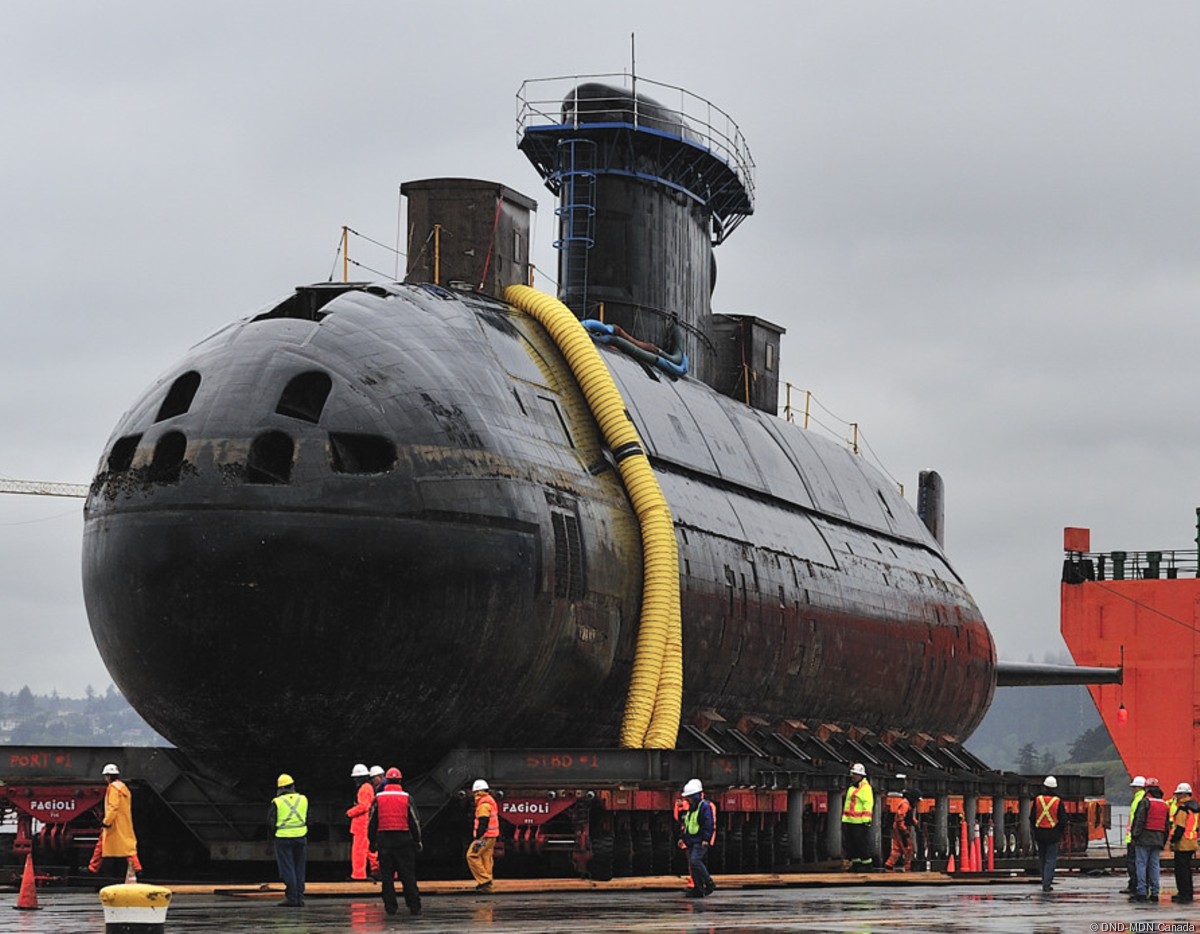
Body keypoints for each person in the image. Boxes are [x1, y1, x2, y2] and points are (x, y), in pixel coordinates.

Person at [368, 767, 422, 916]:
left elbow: (372, 822)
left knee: (387, 878)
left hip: (385, 842)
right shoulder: (406, 797)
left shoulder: (378, 798)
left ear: (386, 779)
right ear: (400, 780)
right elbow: (414, 822)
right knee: (408, 876)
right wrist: (417, 841)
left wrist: (371, 842)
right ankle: (414, 906)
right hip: (404, 841)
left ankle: (390, 908)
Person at [269, 773, 308, 907]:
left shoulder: (277, 802)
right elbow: (309, 817)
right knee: (299, 868)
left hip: (283, 838)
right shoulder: (303, 799)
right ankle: (299, 897)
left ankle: (291, 898)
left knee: (288, 868)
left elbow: (271, 822)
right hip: (301, 837)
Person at [1130, 778, 1169, 902]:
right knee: (1154, 865)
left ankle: (1142, 892)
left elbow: (1139, 820)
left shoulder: (1145, 802)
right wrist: (1164, 840)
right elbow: (1167, 825)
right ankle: (1155, 892)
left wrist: (1134, 836)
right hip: (1158, 838)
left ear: (1146, 788)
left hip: (1144, 838)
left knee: (1141, 864)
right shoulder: (1164, 804)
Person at [99, 763, 139, 880]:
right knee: (127, 849)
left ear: (108, 776)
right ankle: (134, 870)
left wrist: (106, 822)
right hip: (124, 823)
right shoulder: (124, 787)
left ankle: (107, 877)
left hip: (114, 825)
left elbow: (113, 807)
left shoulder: (113, 788)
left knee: (111, 852)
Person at [677, 778, 716, 897]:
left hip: (700, 840)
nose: (687, 799)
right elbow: (687, 825)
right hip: (691, 841)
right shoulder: (691, 809)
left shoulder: (704, 807)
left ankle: (709, 883)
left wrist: (706, 839)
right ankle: (698, 889)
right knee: (692, 864)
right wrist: (682, 838)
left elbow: (708, 824)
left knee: (695, 861)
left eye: (688, 797)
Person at [1032, 776, 1066, 893]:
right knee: (1050, 860)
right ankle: (1047, 883)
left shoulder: (1038, 800)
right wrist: (1059, 832)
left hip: (1040, 833)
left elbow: (1032, 817)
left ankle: (1044, 881)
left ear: (1044, 787)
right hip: (1053, 833)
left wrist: (1035, 830)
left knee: (1042, 858)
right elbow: (1063, 820)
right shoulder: (1057, 801)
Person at [466, 779, 502, 890]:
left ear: (476, 792)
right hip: (492, 836)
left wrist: (478, 837)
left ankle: (484, 880)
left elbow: (483, 822)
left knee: (472, 855)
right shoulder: (490, 801)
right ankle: (488, 883)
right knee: (486, 857)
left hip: (484, 837)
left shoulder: (483, 805)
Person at [1169, 782, 1199, 903]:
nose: (1176, 797)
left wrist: (1172, 841)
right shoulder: (1195, 809)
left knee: (1181, 871)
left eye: (1178, 794)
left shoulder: (1183, 809)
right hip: (1192, 842)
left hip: (1182, 844)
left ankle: (1183, 894)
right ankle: (1188, 893)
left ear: (1182, 795)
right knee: (1187, 870)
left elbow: (1180, 828)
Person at [842, 763, 874, 870]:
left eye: (855, 774)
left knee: (861, 844)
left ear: (861, 775)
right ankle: (856, 864)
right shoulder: (852, 787)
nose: (853, 776)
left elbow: (868, 804)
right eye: (853, 774)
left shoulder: (865, 788)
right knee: (851, 844)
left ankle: (867, 865)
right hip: (849, 821)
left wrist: (866, 820)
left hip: (860, 822)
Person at [346, 763, 374, 880]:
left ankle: (358, 875)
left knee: (359, 851)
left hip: (361, 825)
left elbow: (364, 806)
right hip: (363, 824)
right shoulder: (367, 787)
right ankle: (378, 871)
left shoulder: (364, 788)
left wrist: (350, 812)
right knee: (368, 850)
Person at [883, 788, 920, 872]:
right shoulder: (905, 805)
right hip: (901, 829)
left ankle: (889, 865)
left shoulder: (907, 804)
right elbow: (900, 818)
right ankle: (908, 867)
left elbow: (909, 817)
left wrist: (915, 823)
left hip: (900, 828)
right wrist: (904, 831)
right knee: (908, 848)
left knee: (897, 848)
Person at [1123, 775, 1147, 894]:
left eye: (1133, 787)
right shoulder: (1143, 798)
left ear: (1138, 788)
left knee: (1133, 862)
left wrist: (1133, 836)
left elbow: (1136, 820)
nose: (1132, 789)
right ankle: (1139, 884)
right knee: (1142, 862)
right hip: (1139, 836)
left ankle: (1134, 885)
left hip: (1134, 837)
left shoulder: (1138, 800)